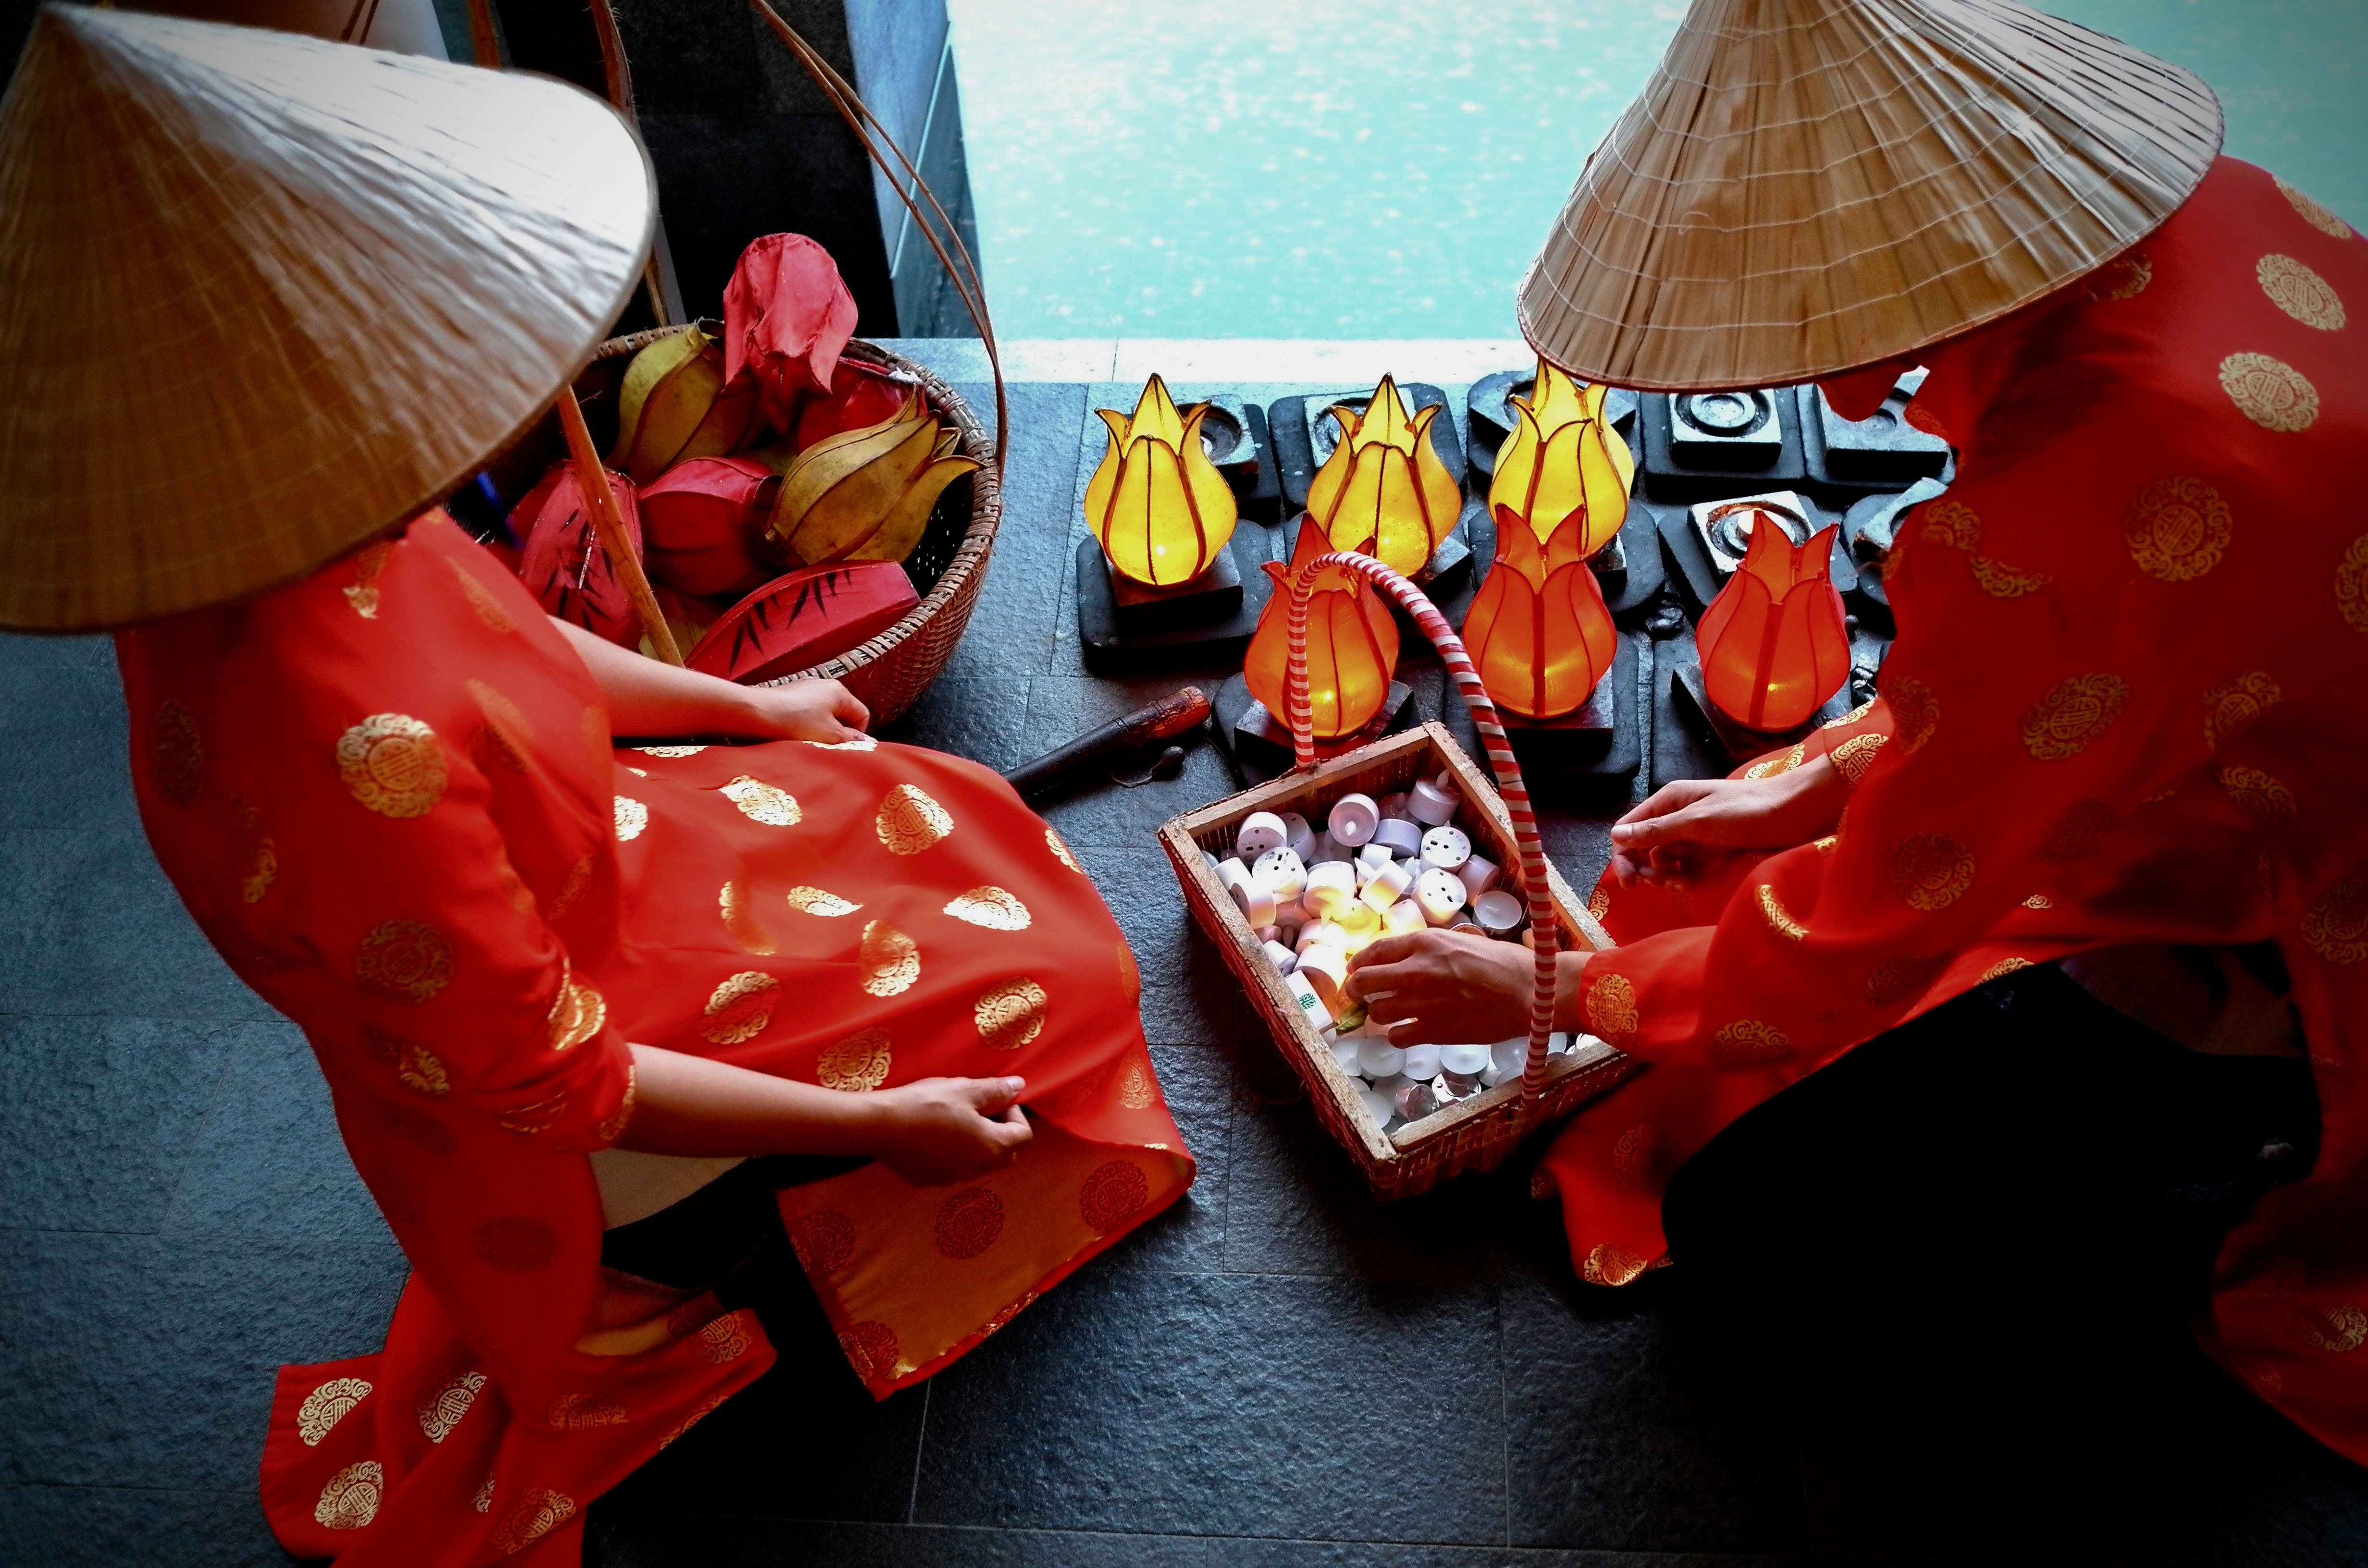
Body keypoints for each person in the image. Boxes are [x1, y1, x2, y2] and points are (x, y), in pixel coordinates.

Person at [0, 12, 1187, 1565]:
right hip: (567, 1047)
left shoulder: (271, 556)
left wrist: (743, 707)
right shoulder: (358, 762)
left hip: (592, 865)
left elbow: (529, 664)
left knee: (943, 804)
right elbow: (571, 1081)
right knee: (1072, 969)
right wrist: (895, 1119)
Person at [1345, 0, 2368, 1470]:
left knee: (1756, 1221)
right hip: (2298, 708)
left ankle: (2251, 1084)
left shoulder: (2056, 521)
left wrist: (1556, 984)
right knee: (1750, 820)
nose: (1831, 381)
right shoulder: (2222, 209)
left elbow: (1862, 939)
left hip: (2322, 909)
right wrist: (1811, 789)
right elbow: (2138, 645)